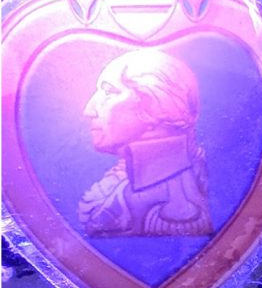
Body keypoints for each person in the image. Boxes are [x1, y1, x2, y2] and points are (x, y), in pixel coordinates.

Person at [78, 48, 212, 238]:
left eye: (109, 91)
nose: (88, 110)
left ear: (153, 104)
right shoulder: (120, 186)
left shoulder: (178, 210)